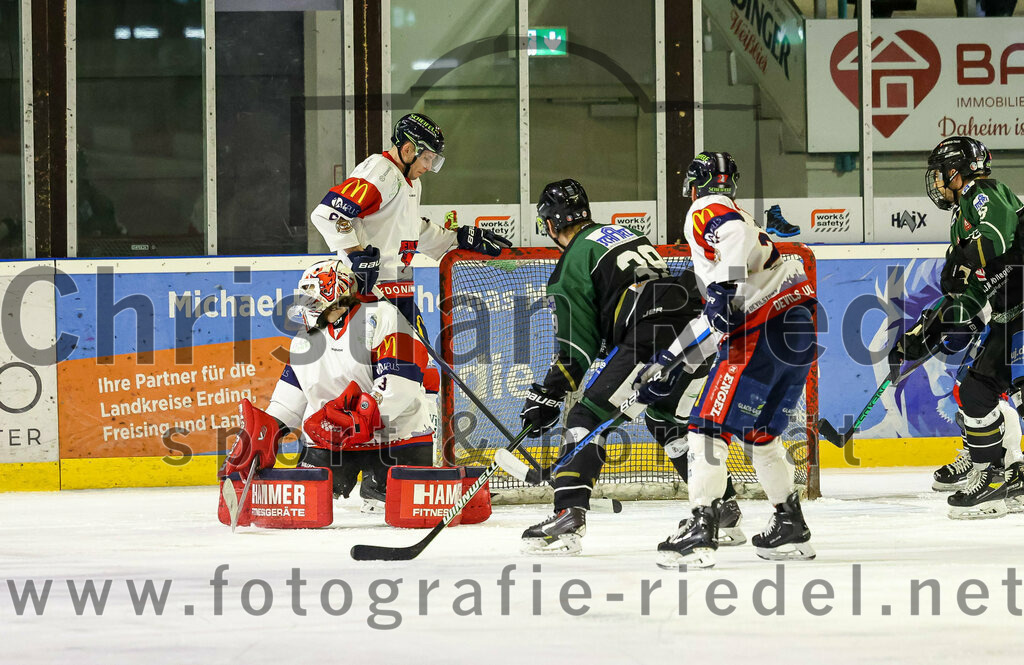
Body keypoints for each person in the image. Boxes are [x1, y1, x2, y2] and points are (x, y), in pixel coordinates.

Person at [518, 178, 745, 555]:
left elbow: (577, 349)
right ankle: (722, 511)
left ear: (552, 223)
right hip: (697, 331)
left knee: (585, 418)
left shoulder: (572, 261)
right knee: (666, 420)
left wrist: (548, 394)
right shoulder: (626, 232)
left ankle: (568, 515)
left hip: (652, 337)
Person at [648, 152, 818, 569]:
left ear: (692, 185)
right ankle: (789, 524)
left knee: (705, 427)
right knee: (761, 434)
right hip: (798, 326)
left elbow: (733, 245)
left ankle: (701, 528)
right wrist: (670, 361)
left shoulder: (706, 209)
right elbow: (718, 323)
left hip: (761, 332)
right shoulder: (741, 226)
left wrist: (723, 288)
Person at [223, 258, 437, 511]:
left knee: (396, 506)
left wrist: (361, 417)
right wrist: (266, 431)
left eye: (312, 291)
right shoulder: (304, 341)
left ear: (335, 290)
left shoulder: (383, 316)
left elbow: (400, 383)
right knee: (300, 506)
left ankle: (379, 482)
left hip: (398, 439)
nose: (305, 300)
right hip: (332, 441)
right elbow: (290, 401)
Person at [891, 136, 1024, 518]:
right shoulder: (961, 213)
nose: (935, 182)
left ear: (955, 171)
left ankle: (996, 473)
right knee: (976, 389)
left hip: (1019, 309)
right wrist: (927, 331)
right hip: (1007, 312)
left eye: (939, 173)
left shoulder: (984, 192)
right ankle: (997, 470)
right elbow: (973, 291)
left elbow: (994, 241)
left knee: (984, 390)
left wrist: (962, 259)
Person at [309, 112, 510, 330]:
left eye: (433, 160)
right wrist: (356, 254)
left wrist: (457, 238)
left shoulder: (411, 182)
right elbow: (328, 213)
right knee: (390, 363)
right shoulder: (381, 172)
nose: (429, 167)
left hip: (399, 289)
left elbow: (410, 230)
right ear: (407, 149)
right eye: (427, 158)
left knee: (412, 359)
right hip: (367, 293)